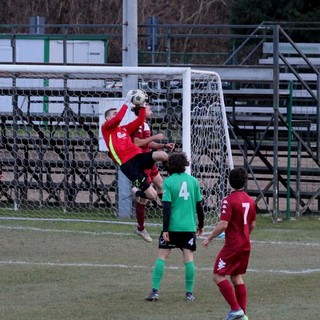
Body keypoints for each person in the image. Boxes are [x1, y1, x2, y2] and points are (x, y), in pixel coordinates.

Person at [145, 152, 204, 302]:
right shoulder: (193, 182)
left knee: (162, 257)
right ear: (185, 164)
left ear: (170, 166)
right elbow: (199, 206)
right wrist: (201, 225)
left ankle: (154, 291)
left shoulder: (169, 182)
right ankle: (189, 293)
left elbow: (166, 208)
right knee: (188, 258)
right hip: (188, 227)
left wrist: (165, 229)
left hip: (172, 227)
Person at [202, 167, 256, 320]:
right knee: (236, 276)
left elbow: (223, 224)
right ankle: (243, 315)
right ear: (245, 182)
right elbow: (252, 225)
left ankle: (235, 309)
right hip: (245, 244)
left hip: (233, 245)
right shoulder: (250, 200)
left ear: (229, 182)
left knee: (218, 276)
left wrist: (209, 237)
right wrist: (244, 235)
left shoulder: (228, 200)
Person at [101, 90, 168, 202]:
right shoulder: (106, 128)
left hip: (138, 157)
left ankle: (177, 174)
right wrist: (127, 102)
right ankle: (136, 191)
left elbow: (140, 120)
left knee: (163, 155)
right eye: (114, 113)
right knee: (152, 195)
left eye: (117, 113)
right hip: (128, 165)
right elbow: (118, 119)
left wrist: (142, 106)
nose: (117, 115)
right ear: (107, 119)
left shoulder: (123, 129)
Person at [131, 104, 175, 242]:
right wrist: (154, 137)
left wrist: (163, 145)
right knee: (146, 197)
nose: (152, 112)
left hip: (149, 161)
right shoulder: (138, 125)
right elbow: (137, 143)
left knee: (161, 185)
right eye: (149, 109)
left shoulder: (144, 125)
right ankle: (140, 228)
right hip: (141, 162)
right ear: (143, 112)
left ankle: (171, 219)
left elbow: (148, 144)